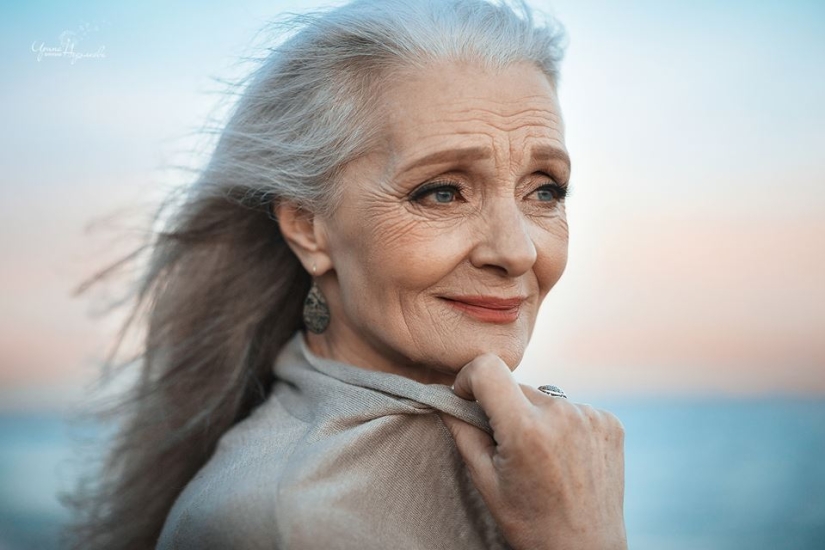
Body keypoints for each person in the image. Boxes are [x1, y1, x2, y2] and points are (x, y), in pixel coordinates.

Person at [64, 0, 626, 548]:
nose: (518, 251)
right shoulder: (283, 523)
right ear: (308, 227)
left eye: (544, 190)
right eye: (442, 192)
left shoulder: (533, 456)